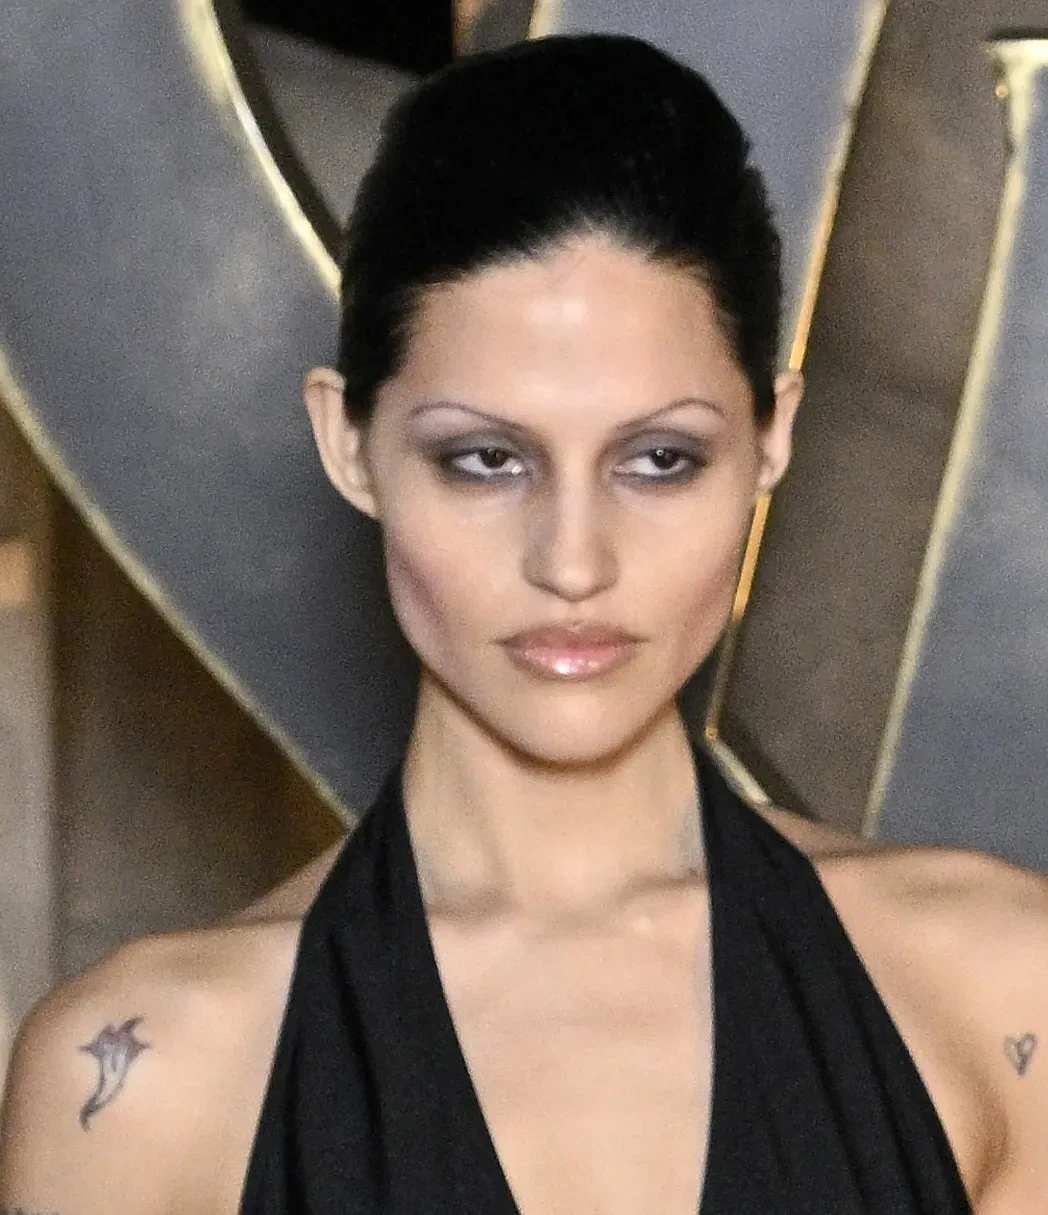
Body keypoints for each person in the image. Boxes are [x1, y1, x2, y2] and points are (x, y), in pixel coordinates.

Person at [2, 32, 1047, 1214]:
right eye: (485, 461)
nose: (572, 562)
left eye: (659, 459)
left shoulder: (992, 993)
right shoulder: (149, 1086)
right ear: (349, 444)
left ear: (770, 439)